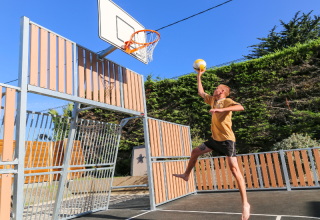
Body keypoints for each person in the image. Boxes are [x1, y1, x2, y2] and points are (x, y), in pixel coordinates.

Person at [173, 68, 250, 220]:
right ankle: (186, 174)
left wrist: (220, 110)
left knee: (235, 171)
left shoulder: (226, 101)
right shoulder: (213, 100)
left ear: (221, 91)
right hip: (215, 140)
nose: (214, 90)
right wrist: (198, 76)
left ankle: (245, 204)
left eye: (216, 88)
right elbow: (201, 92)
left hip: (227, 141)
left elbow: (240, 107)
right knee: (195, 151)